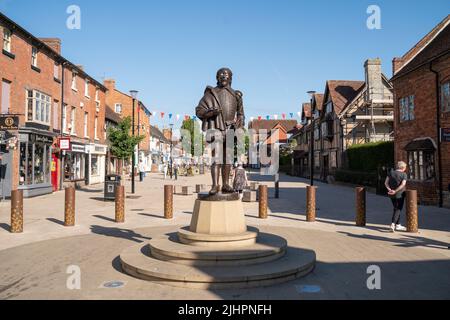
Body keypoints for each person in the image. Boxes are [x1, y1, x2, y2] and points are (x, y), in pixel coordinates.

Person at [385, 161, 408, 232]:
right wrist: (395, 191)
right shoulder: (404, 174)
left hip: (391, 194)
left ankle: (398, 225)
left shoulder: (391, 173)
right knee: (398, 209)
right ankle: (393, 224)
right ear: (403, 167)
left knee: (396, 208)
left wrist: (390, 190)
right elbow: (403, 185)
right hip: (400, 194)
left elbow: (386, 183)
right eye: (405, 167)